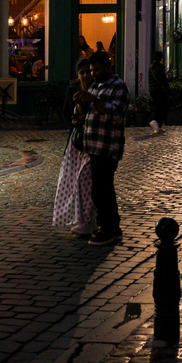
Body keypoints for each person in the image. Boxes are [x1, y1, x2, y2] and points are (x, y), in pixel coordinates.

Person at [77, 51, 130, 246]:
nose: (94, 74)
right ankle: (112, 228)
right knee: (101, 189)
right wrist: (83, 103)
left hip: (108, 146)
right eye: (91, 70)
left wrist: (94, 101)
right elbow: (88, 114)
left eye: (97, 70)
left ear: (108, 67)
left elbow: (116, 113)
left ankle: (106, 228)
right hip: (93, 146)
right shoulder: (96, 87)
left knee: (101, 190)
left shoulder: (119, 87)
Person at [53, 58, 96, 235]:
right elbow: (65, 111)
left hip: (93, 141)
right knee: (74, 180)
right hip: (77, 141)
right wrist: (74, 124)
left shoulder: (97, 89)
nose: (85, 75)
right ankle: (83, 219)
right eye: (82, 72)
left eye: (88, 71)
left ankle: (89, 220)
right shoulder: (72, 89)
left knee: (86, 179)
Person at [148, 51, 170, 133]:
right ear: (160, 58)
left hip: (152, 90)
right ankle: (156, 121)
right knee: (164, 107)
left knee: (157, 107)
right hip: (159, 90)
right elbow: (163, 81)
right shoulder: (160, 68)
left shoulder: (151, 68)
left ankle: (158, 127)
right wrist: (168, 90)